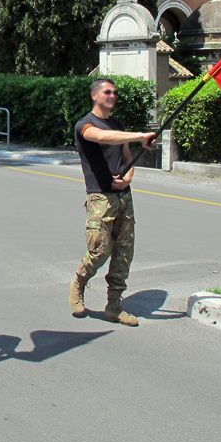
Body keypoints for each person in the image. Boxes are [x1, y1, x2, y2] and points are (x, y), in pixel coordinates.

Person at [68, 78, 156, 325]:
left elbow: (127, 157)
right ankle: (79, 282)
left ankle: (114, 306)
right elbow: (103, 138)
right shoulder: (84, 125)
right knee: (99, 250)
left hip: (123, 197)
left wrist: (127, 179)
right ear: (95, 96)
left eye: (115, 92)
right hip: (100, 197)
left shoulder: (117, 125)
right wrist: (141, 135)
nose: (112, 96)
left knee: (123, 253)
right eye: (108, 92)